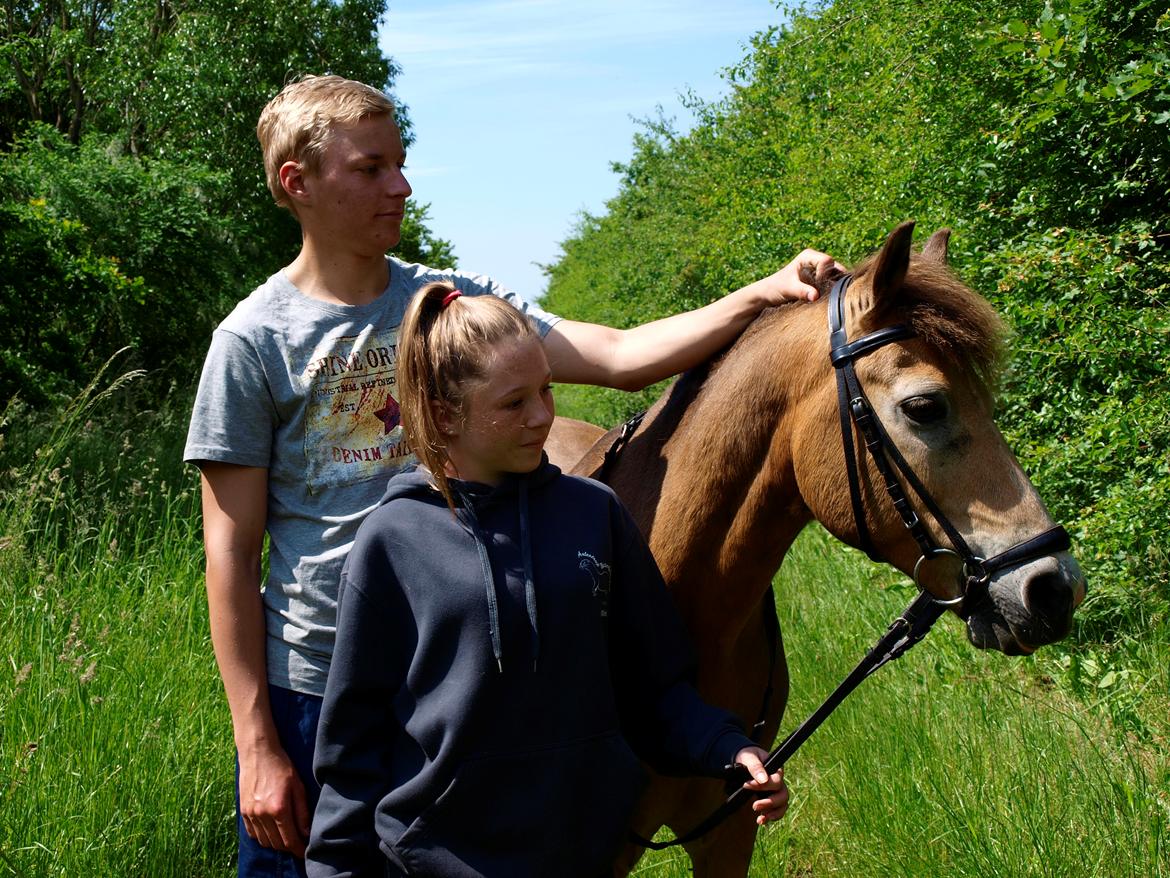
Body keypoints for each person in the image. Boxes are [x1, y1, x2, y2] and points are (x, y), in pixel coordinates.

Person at [184, 73, 838, 877]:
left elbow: (620, 356)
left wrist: (762, 295)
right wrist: (258, 743)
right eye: (371, 167)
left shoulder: (450, 303)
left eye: (401, 161)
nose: (401, 183)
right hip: (319, 691)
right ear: (298, 181)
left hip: (461, 686)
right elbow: (230, 551)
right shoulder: (253, 343)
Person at [306, 283, 787, 878]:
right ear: (442, 412)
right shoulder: (393, 540)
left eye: (546, 389)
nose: (542, 416)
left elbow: (654, 688)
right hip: (430, 863)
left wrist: (728, 749)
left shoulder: (595, 513)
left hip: (583, 861)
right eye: (514, 403)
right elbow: (352, 749)